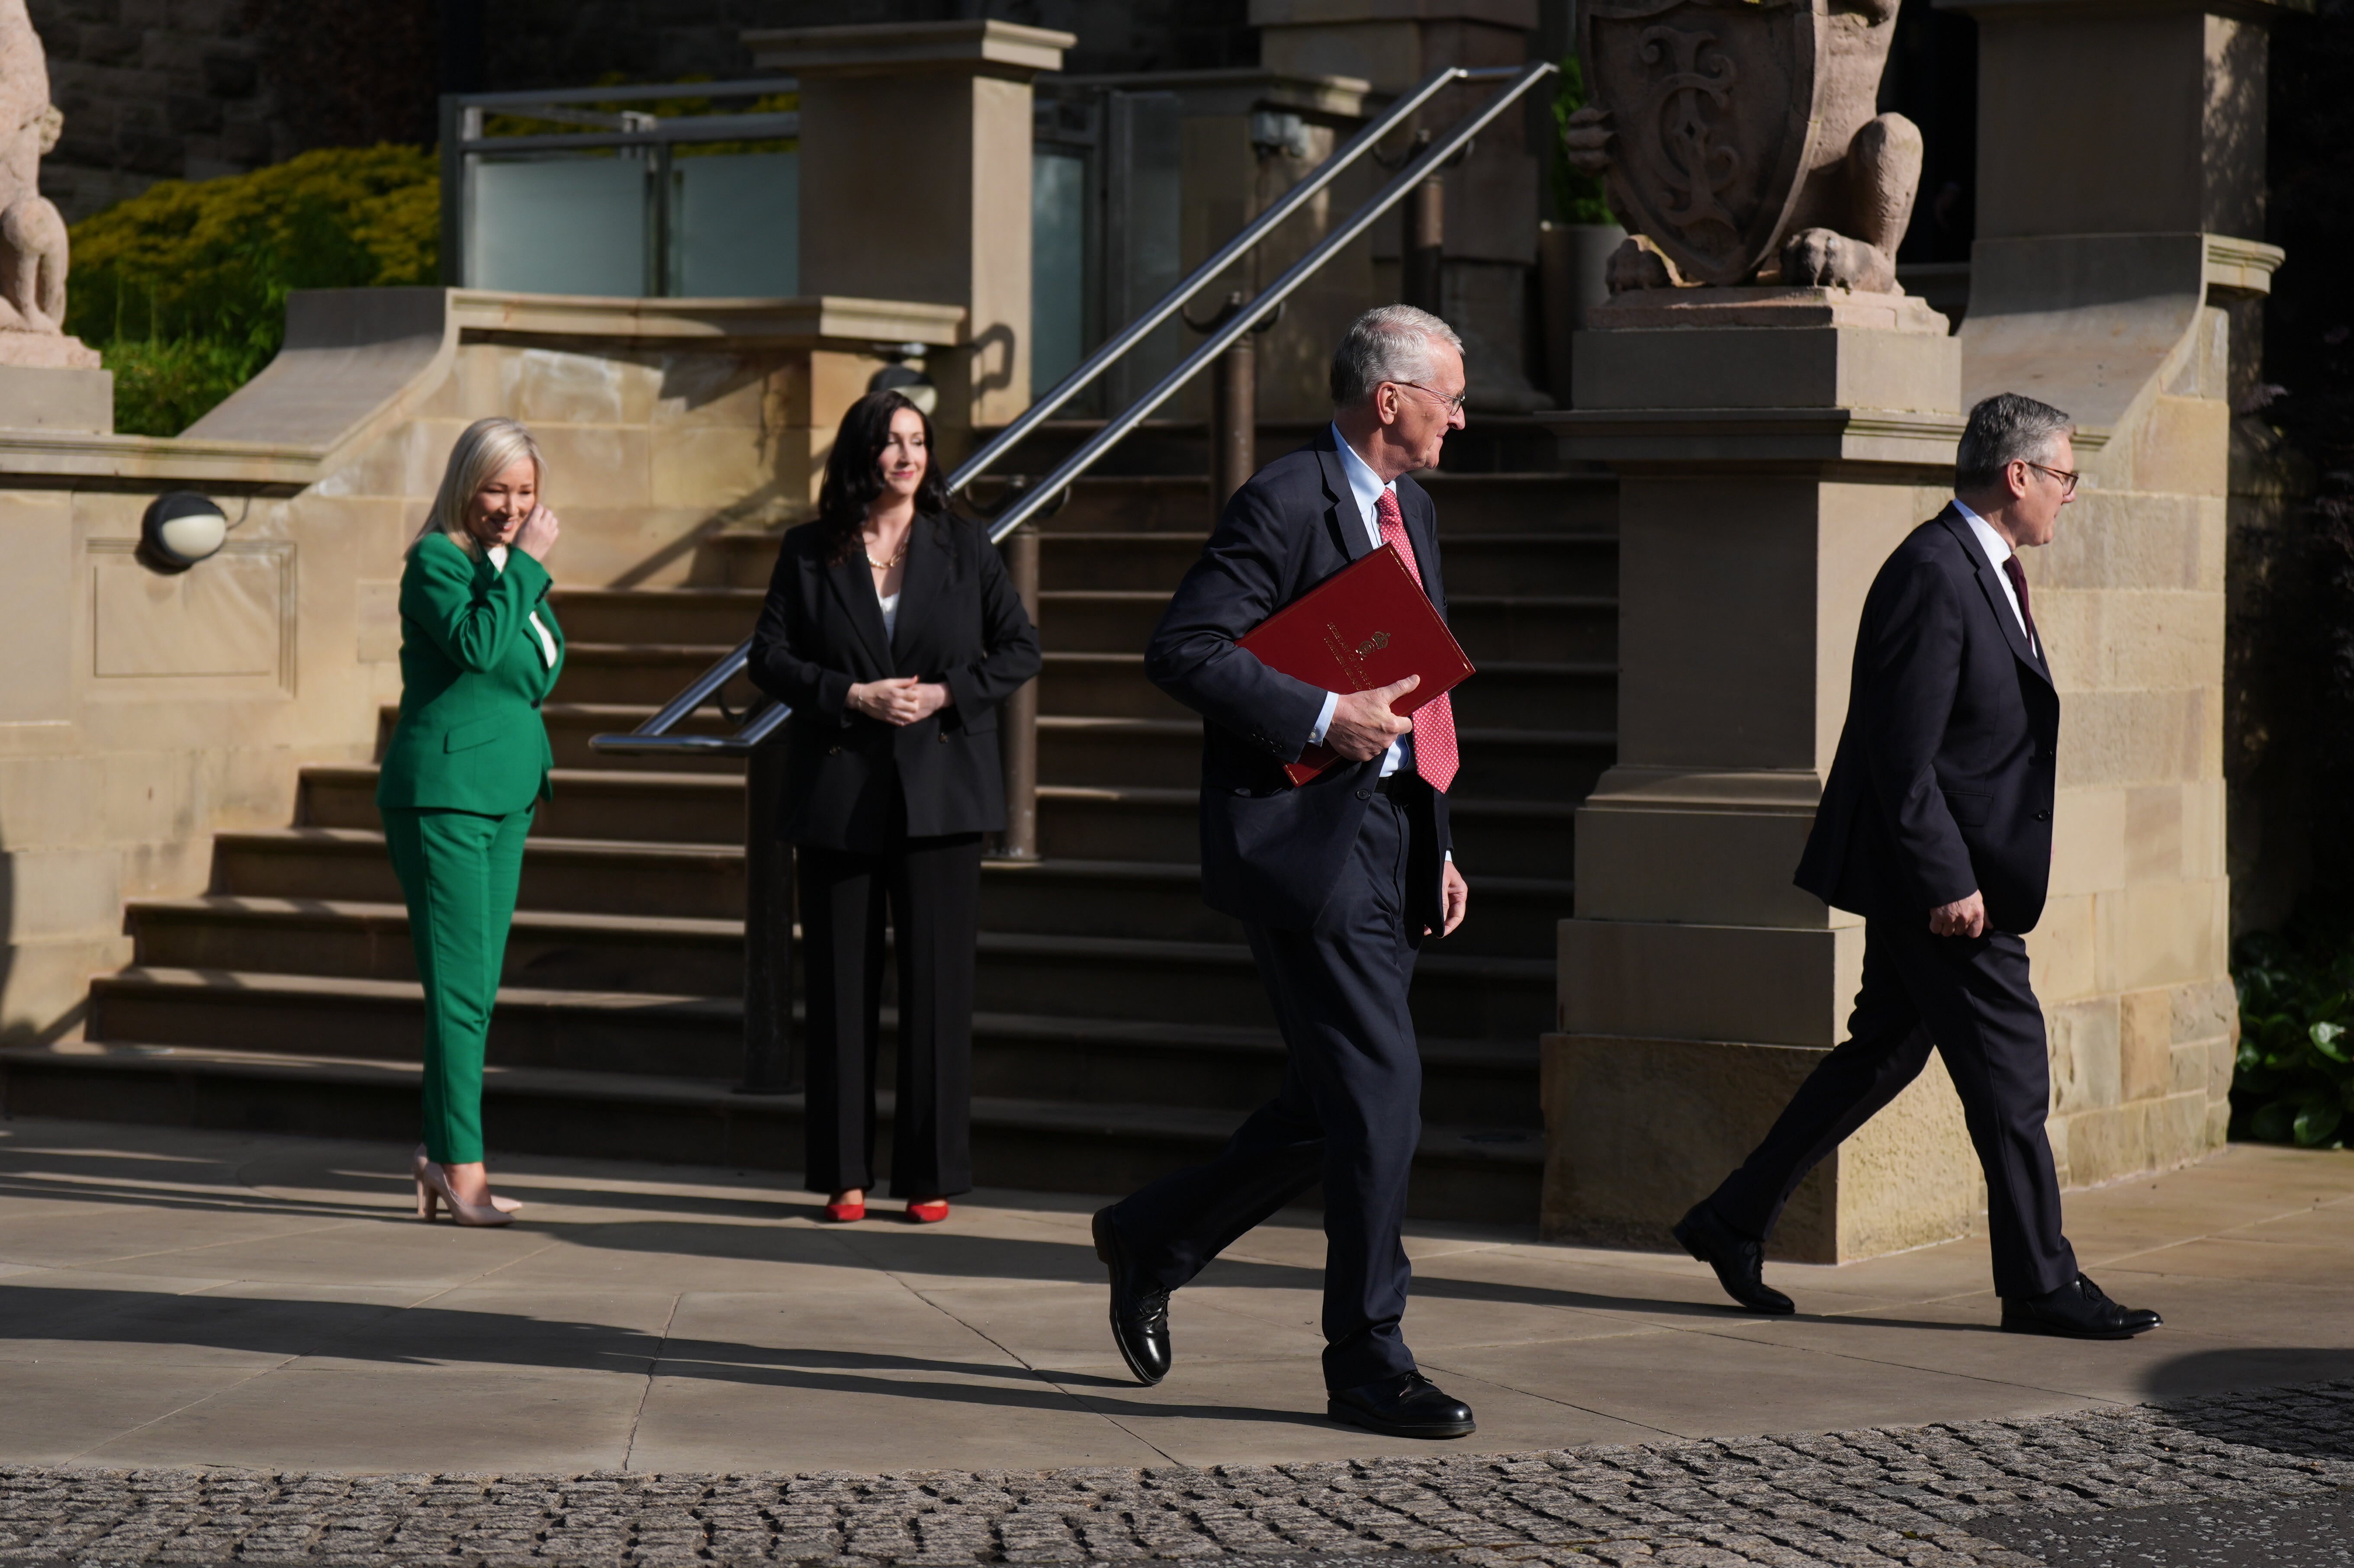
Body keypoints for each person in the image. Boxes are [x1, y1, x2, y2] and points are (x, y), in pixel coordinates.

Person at [1672, 392, 2164, 1341]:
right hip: (1947, 888)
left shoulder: (1981, 569)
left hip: (1945, 876)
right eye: (2062, 475)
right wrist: (1946, 880)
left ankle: (1730, 1218)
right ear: (2015, 475)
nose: (2070, 494)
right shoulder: (1934, 571)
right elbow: (1898, 755)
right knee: (2012, 1080)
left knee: (1880, 1056)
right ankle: (2039, 1285)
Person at [1091, 305, 1476, 1439]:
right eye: (1448, 394)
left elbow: (1419, 691)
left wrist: (1440, 839)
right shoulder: (1283, 499)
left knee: (1330, 1103)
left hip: (1394, 839)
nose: (1462, 414)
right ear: (1390, 399)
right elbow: (1186, 648)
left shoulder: (1418, 510)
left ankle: (1156, 1236)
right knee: (1382, 1096)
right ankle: (1367, 1357)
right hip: (1308, 841)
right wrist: (1320, 711)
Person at [747, 389, 1041, 1226]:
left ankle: (930, 1172)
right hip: (839, 795)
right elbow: (768, 656)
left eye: (917, 442)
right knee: (840, 991)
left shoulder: (966, 542)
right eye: (890, 443)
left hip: (943, 794)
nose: (906, 456)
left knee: (938, 992)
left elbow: (1021, 648)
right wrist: (850, 694)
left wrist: (949, 692)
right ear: (860, 455)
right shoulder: (811, 551)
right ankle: (843, 1175)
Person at [377, 417, 565, 1228]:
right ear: (465, 483)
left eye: (525, 493)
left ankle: (434, 1155)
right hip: (445, 793)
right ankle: (464, 1170)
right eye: (497, 488)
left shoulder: (500, 570)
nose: (512, 507)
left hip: (508, 791)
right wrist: (523, 567)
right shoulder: (436, 563)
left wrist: (515, 570)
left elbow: (537, 670)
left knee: (474, 995)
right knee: (460, 995)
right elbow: (482, 650)